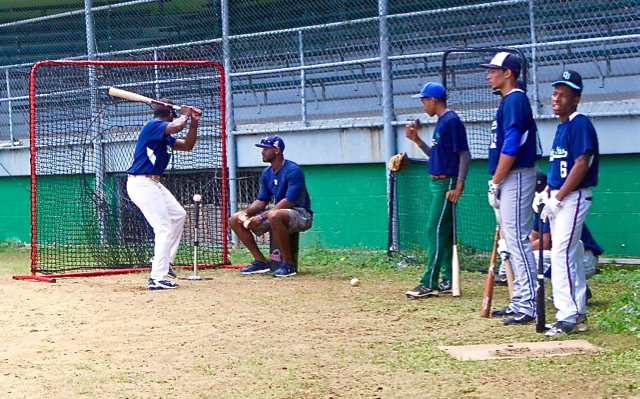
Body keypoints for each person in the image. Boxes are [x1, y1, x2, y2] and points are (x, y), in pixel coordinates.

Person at [537, 70, 600, 337]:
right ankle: (578, 313)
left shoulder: (579, 122)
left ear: (576, 99)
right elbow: (560, 167)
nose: (556, 99)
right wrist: (547, 192)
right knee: (570, 254)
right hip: (562, 196)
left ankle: (568, 315)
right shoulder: (563, 126)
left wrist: (558, 198)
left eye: (563, 95)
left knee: (561, 254)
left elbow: (581, 164)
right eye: (555, 93)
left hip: (574, 197)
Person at [480, 52, 542, 324]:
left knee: (517, 240)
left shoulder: (516, 99)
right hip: (509, 176)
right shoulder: (508, 101)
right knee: (512, 240)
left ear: (509, 73)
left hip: (516, 175)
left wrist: (496, 181)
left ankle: (529, 305)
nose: (488, 74)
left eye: (494, 70)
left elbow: (512, 145)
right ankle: (519, 300)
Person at [404, 82, 471, 299]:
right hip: (438, 183)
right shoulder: (442, 122)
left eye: (424, 101)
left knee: (433, 230)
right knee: (444, 232)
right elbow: (437, 155)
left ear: (434, 100)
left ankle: (428, 282)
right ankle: (448, 278)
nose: (423, 106)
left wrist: (458, 187)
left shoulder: (451, 121)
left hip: (446, 185)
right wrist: (417, 141)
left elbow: (464, 154)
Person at [126, 99, 200, 290]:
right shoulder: (153, 126)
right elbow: (176, 127)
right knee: (163, 227)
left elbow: (187, 145)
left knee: (178, 214)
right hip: (141, 182)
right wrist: (185, 114)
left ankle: (164, 262)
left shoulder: (164, 134)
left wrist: (193, 122)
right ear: (170, 115)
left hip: (152, 183)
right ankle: (157, 278)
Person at [230, 135, 313, 277]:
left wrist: (262, 217)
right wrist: (247, 213)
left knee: (274, 215)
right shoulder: (267, 173)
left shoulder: (293, 170)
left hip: (301, 214)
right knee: (234, 218)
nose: (262, 152)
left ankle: (288, 265)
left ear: (277, 150)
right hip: (277, 212)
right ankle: (261, 261)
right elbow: (262, 200)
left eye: (266, 149)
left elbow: (289, 201)